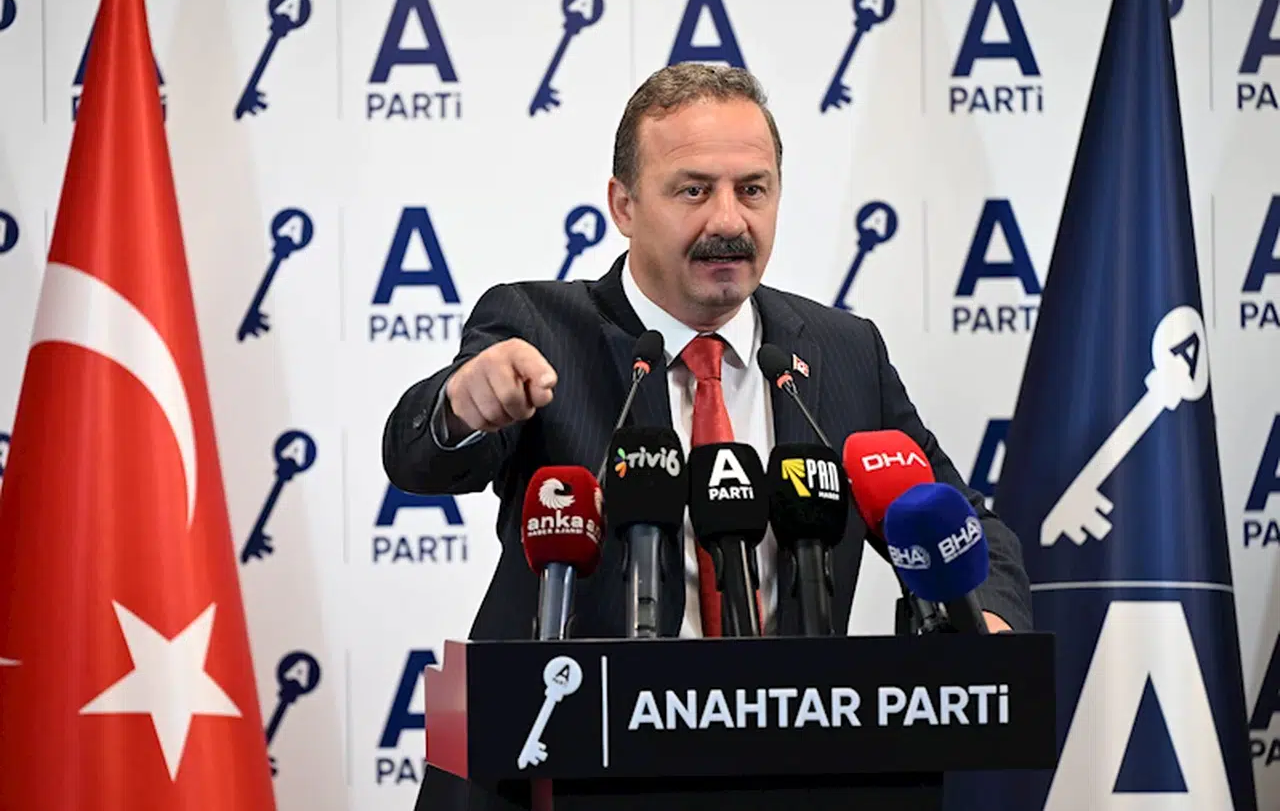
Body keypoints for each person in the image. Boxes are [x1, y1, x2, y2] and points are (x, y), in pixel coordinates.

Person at [384, 63, 1032, 810]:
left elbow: (959, 521)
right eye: (693, 190)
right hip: (567, 769)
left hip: (793, 773)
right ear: (624, 205)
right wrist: (459, 407)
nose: (729, 220)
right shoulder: (538, 328)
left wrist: (985, 619)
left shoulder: (843, 350)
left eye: (752, 189)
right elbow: (417, 458)